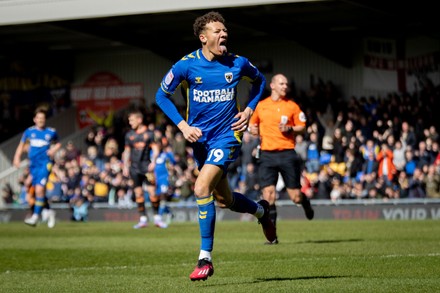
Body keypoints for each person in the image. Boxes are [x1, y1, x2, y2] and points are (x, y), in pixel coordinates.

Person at [155, 11, 276, 282]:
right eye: (217, 31)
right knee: (224, 200)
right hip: (200, 140)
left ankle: (205, 259)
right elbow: (161, 96)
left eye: (225, 31)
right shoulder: (186, 66)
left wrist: (249, 110)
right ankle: (261, 211)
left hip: (227, 136)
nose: (224, 34)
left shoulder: (238, 63)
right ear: (203, 37)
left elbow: (260, 82)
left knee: (200, 187)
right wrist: (183, 126)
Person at [249, 73, 314, 244]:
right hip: (267, 155)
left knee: (295, 197)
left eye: (286, 84)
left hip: (287, 154)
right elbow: (251, 125)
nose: (285, 86)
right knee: (268, 196)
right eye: (282, 83)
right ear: (273, 86)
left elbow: (302, 126)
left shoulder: (292, 106)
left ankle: (305, 203)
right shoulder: (261, 106)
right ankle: (273, 237)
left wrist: (290, 128)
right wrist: (252, 130)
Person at [13, 107, 61, 228]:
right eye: (38, 118)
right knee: (36, 189)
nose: (40, 120)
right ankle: (49, 212)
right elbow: (21, 145)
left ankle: (35, 216)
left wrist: (53, 149)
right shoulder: (29, 132)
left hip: (45, 164)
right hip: (33, 165)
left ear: (45, 119)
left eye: (43, 118)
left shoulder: (51, 132)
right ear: (35, 119)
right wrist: (16, 158)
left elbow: (58, 143)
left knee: (39, 190)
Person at [122, 109, 164, 229]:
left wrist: (154, 161)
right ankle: (143, 219)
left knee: (152, 192)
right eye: (129, 121)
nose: (130, 123)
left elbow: (156, 149)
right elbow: (127, 151)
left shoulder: (149, 134)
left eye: (132, 120)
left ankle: (157, 218)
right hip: (134, 168)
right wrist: (125, 165)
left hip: (147, 167)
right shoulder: (129, 135)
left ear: (139, 120)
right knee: (138, 193)